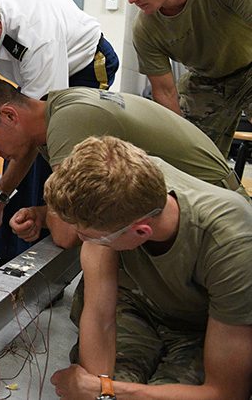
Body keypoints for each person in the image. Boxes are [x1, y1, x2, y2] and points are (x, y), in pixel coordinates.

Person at [45, 136, 252, 398]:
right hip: (139, 305)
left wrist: (105, 391)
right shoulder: (120, 182)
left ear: (141, 231)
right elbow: (99, 315)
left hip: (202, 326)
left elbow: (225, 392)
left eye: (87, 236)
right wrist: (100, 390)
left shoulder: (232, 243)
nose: (80, 239)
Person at [0, 79, 245, 249]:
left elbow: (67, 235)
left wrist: (53, 218)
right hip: (191, 198)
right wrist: (42, 216)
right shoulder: (57, 108)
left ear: (9, 116)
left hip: (216, 214)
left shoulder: (67, 125)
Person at [0, 0, 119, 263]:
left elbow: (35, 135)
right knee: (15, 157)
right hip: (31, 74)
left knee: (52, 158)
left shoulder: (37, 38)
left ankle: (49, 258)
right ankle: (8, 259)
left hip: (84, 64)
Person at [112, 0, 252, 156]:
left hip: (250, 66)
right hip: (206, 80)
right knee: (187, 154)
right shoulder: (145, 29)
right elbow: (165, 92)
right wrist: (183, 144)